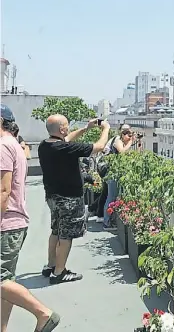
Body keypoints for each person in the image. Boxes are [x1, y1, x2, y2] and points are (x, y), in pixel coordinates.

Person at [0, 105, 61, 332]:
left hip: (5, 223)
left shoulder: (3, 146)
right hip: (14, 223)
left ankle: (42, 314)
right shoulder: (14, 145)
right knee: (6, 281)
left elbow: (3, 191)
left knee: (1, 280)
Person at [37, 115, 110, 284]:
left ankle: (51, 265)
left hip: (53, 197)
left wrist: (86, 128)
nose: (68, 128)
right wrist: (105, 129)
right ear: (62, 129)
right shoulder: (64, 148)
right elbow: (99, 146)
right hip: (68, 199)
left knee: (56, 231)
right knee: (66, 236)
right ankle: (60, 272)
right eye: (67, 126)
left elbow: (67, 139)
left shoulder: (45, 145)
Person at [100, 124, 136, 231]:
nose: (129, 138)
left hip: (115, 172)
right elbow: (122, 152)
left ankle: (110, 220)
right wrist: (130, 143)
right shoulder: (117, 141)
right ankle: (107, 222)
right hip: (112, 172)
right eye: (128, 136)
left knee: (114, 196)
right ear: (123, 134)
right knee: (111, 197)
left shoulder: (120, 141)